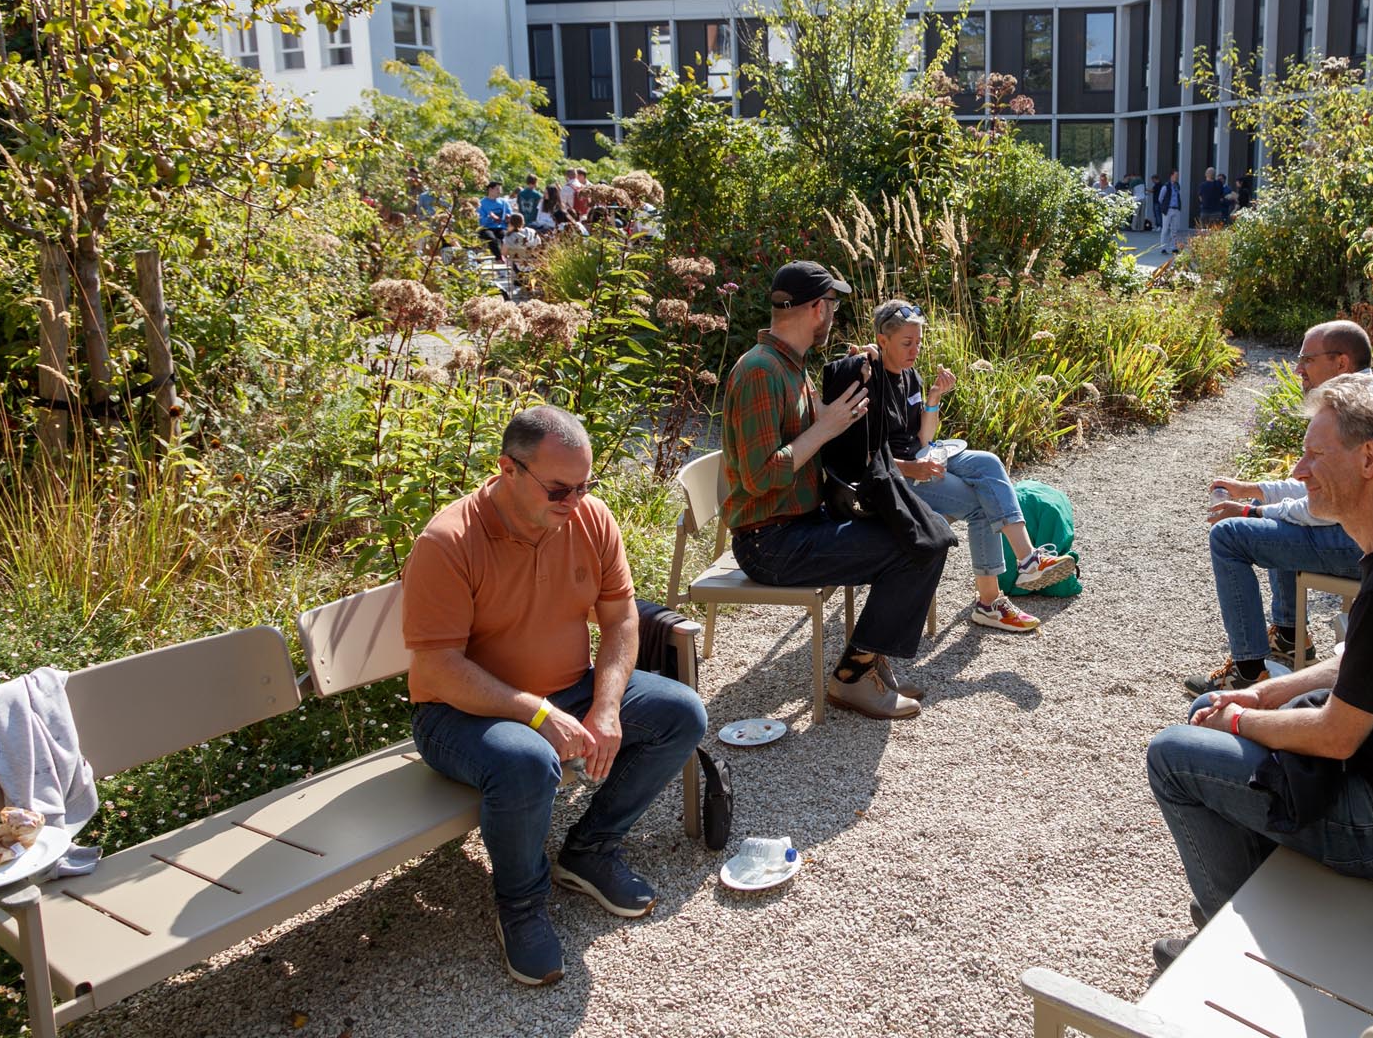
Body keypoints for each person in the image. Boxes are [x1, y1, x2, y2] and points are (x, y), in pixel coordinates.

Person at [1146, 373, 1373, 965]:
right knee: (1203, 714)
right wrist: (1262, 697)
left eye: (1316, 454)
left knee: (1172, 755)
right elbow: (1350, 662)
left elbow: (1337, 738)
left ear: (1369, 459)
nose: (1298, 471)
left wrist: (1238, 722)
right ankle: (1253, 909)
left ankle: (1226, 946)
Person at [401, 405, 708, 986]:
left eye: (585, 486)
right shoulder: (448, 541)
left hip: (566, 690)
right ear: (507, 470)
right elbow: (438, 670)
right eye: (560, 489)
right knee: (526, 759)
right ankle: (520, 903)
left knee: (682, 714)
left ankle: (590, 850)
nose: (575, 502)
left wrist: (607, 706)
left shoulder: (590, 519)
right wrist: (536, 713)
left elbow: (620, 623)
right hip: (459, 715)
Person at [722, 262, 949, 719]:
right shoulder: (761, 372)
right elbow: (760, 477)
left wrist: (854, 370)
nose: (833, 313)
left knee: (927, 533)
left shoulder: (791, 366)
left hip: (798, 524)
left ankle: (870, 662)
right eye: (832, 305)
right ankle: (852, 676)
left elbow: (827, 429)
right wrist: (823, 428)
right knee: (915, 548)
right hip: (770, 542)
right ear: (814, 308)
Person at [1187, 319, 1373, 694]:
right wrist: (1254, 489)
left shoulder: (1356, 414)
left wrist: (1252, 511)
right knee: (1278, 524)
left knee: (1229, 536)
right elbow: (1320, 487)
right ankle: (1289, 637)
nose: (1298, 369)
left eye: (1307, 359)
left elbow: (1316, 509)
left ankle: (1249, 669)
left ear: (1341, 363)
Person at [868, 299, 1077, 632]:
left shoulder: (911, 376)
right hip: (896, 478)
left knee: (988, 463)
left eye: (919, 343)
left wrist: (933, 398)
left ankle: (1028, 559)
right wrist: (912, 469)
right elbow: (865, 455)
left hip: (923, 458)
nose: (915, 351)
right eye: (907, 343)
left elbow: (923, 438)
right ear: (882, 340)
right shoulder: (870, 381)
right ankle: (990, 602)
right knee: (981, 504)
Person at [477, 182, 513, 260]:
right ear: (490, 189)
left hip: (501, 227)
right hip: (487, 227)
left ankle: (508, 256)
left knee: (506, 236)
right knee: (491, 238)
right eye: (497, 189)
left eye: (500, 190)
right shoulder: (481, 203)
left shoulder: (504, 202)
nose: (499, 192)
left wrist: (508, 217)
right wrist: (490, 217)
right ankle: (499, 258)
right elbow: (481, 220)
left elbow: (510, 214)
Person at [1156, 170, 1184, 253]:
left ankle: (1173, 247)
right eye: (1175, 176)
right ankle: (1163, 247)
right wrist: (1165, 206)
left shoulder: (1177, 186)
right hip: (1168, 209)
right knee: (1165, 229)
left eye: (1177, 176)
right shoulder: (1166, 186)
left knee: (1174, 229)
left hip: (1176, 209)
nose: (1177, 177)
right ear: (1171, 176)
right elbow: (1160, 198)